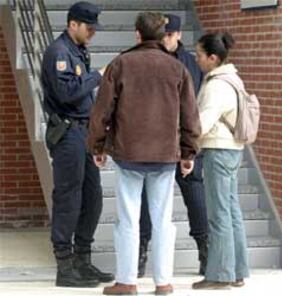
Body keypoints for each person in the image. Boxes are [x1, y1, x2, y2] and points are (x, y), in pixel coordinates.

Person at [87, 12, 201, 296]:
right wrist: (189, 152)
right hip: (165, 156)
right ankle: (163, 282)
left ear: (137, 34)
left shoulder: (121, 64)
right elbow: (190, 115)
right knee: (163, 220)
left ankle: (127, 282)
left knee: (127, 218)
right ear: (163, 35)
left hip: (128, 153)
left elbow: (101, 111)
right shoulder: (177, 69)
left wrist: (97, 146)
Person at [41, 1, 114, 287]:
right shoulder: (58, 52)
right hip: (68, 133)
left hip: (84, 133)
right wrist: (98, 75)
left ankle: (83, 261)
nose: (93, 32)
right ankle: (65, 266)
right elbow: (67, 93)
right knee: (68, 198)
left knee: (92, 199)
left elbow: (85, 99)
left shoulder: (78, 50)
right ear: (73, 24)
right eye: (89, 27)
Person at [137, 13, 208, 278]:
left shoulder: (189, 63)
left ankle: (205, 250)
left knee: (194, 193)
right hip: (155, 142)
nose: (166, 39)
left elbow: (189, 107)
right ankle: (141, 252)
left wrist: (188, 143)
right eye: (163, 34)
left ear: (178, 35)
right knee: (145, 194)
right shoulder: (150, 58)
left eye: (170, 34)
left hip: (182, 139)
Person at [192, 32, 249, 290]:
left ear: (213, 58)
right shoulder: (233, 78)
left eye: (200, 55)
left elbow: (202, 123)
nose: (197, 59)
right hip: (232, 150)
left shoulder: (216, 85)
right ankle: (237, 271)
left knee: (219, 214)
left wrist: (185, 141)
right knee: (232, 211)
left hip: (218, 150)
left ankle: (220, 274)